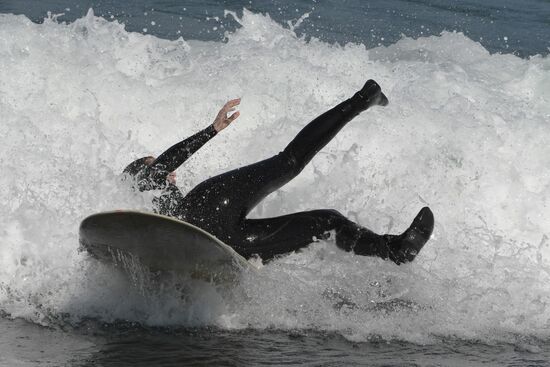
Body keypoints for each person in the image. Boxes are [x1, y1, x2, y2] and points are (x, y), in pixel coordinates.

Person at [123, 80, 434, 264]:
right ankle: (392, 249)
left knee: (299, 176)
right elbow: (164, 164)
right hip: (224, 229)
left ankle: (394, 248)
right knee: (322, 217)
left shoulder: (161, 201)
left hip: (217, 219)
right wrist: (211, 130)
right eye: (156, 164)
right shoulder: (144, 187)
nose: (170, 173)